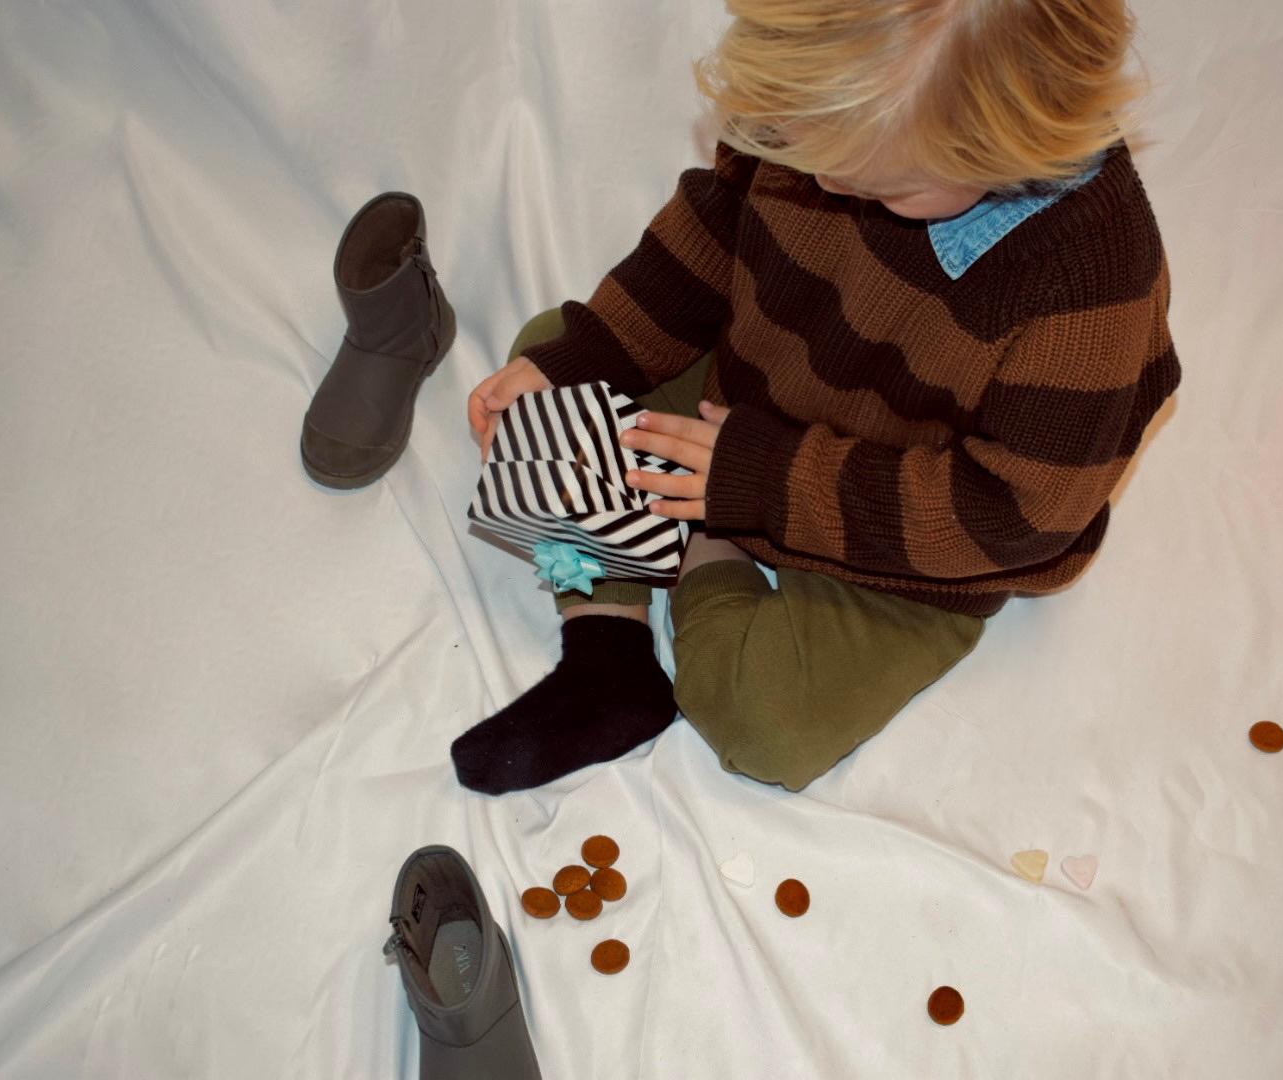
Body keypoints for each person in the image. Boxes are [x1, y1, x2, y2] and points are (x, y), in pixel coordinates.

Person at [453, 0, 1179, 795]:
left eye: (881, 186)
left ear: (1007, 145)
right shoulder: (823, 98)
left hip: (907, 531)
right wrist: (591, 352)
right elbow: (711, 235)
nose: (826, 181)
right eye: (803, 147)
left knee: (769, 725)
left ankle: (706, 546)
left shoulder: (1089, 286)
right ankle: (608, 652)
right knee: (549, 365)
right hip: (755, 390)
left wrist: (757, 486)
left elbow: (1008, 516)